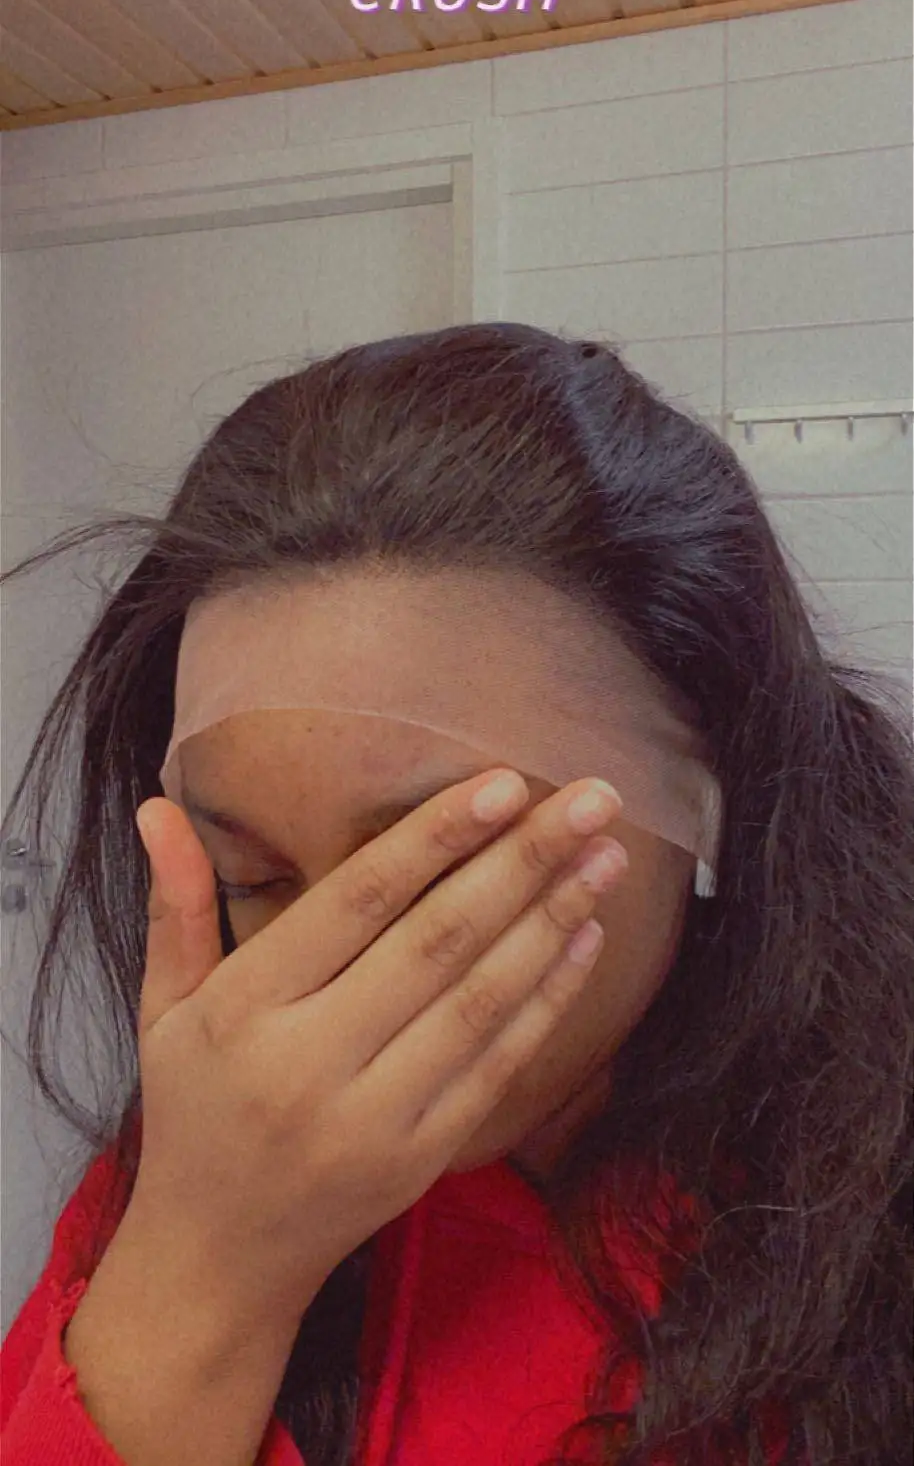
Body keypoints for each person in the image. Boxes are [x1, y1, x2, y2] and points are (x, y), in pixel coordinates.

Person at [0, 321, 910, 1466]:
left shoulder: (856, 1208)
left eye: (445, 868)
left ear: (715, 793)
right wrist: (205, 1268)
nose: (336, 986)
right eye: (256, 879)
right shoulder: (212, 1156)